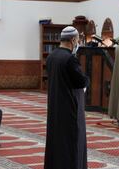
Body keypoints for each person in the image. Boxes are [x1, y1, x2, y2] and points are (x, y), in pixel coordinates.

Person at [44, 26, 89, 169]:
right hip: (69, 108)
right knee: (70, 143)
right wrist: (87, 80)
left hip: (55, 107)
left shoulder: (51, 56)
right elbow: (80, 81)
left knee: (56, 142)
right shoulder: (70, 59)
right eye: (77, 40)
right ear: (73, 40)